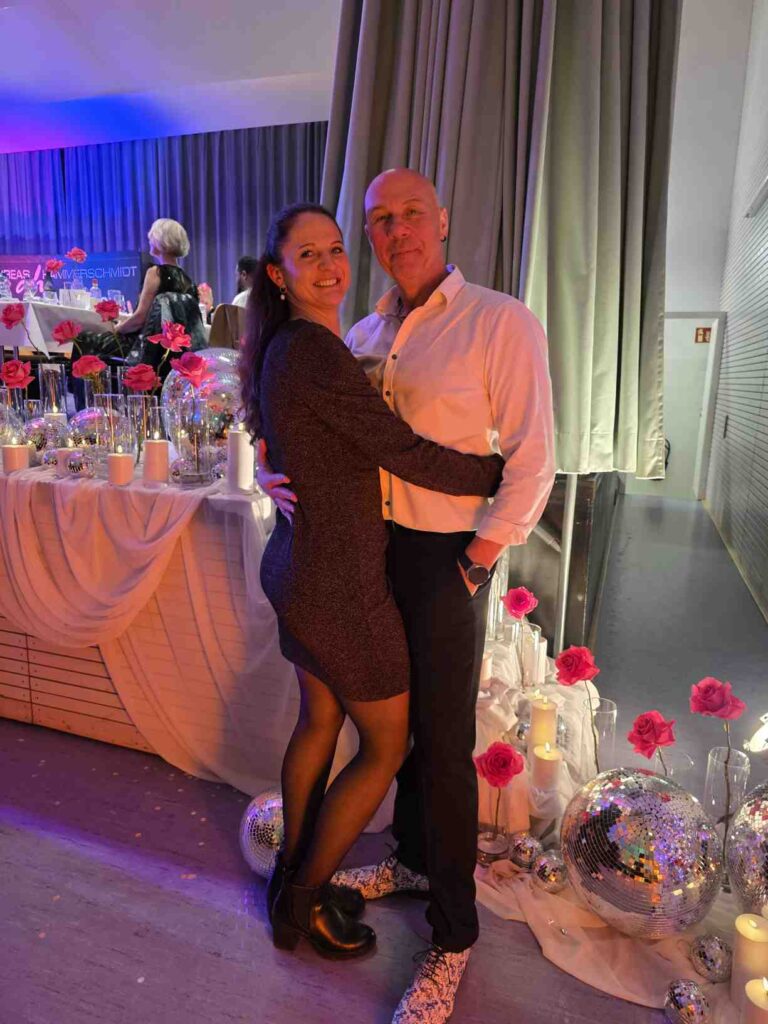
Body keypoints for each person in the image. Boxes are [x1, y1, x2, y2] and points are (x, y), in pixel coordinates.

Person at [259, 169, 555, 1024]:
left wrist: (479, 558)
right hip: (368, 552)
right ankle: (414, 860)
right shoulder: (361, 331)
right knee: (398, 734)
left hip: (444, 558)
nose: (397, 232)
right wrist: (273, 471)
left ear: (442, 221)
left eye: (412, 214)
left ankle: (451, 938)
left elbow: (534, 457)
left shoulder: (500, 320)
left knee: (443, 744)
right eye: (380, 220)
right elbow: (336, 431)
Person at [238, 202, 504, 963]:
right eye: (308, 255)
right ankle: (301, 901)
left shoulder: (293, 344)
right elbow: (399, 449)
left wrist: (267, 459)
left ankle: (289, 886)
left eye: (334, 249)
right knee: (386, 745)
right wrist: (495, 473)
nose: (329, 266)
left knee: (320, 724)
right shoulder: (316, 352)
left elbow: (282, 431)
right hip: (337, 580)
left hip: (301, 564)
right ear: (280, 274)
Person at [76, 218, 206, 371]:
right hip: (169, 352)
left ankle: (80, 384)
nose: (149, 241)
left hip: (142, 348)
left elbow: (139, 319)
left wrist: (117, 329)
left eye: (152, 237)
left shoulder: (156, 272)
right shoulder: (189, 282)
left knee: (83, 339)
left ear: (160, 241)